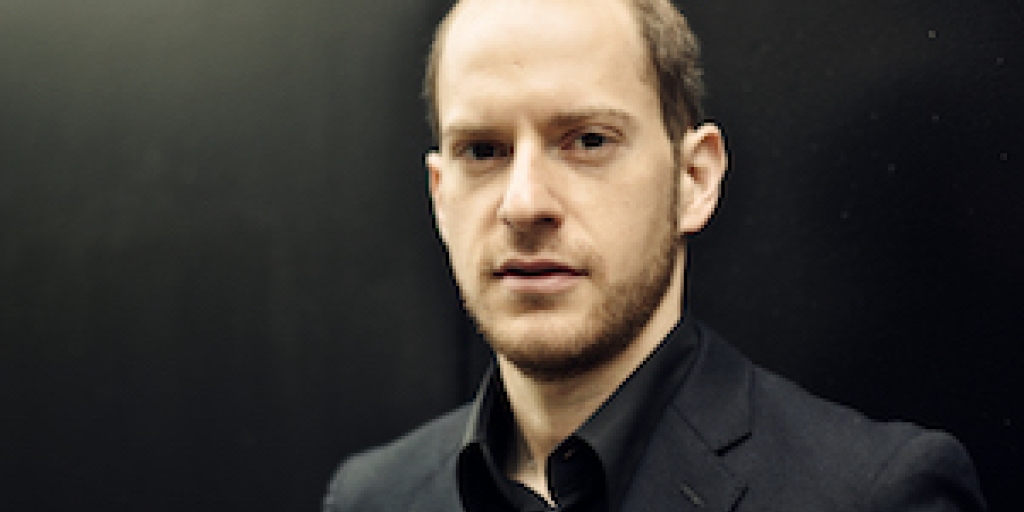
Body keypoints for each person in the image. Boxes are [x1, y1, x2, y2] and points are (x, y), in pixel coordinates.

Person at [322, 0, 987, 510]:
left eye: (588, 140)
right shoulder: (371, 497)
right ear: (441, 197)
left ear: (694, 180)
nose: (523, 204)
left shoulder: (873, 495)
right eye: (483, 151)